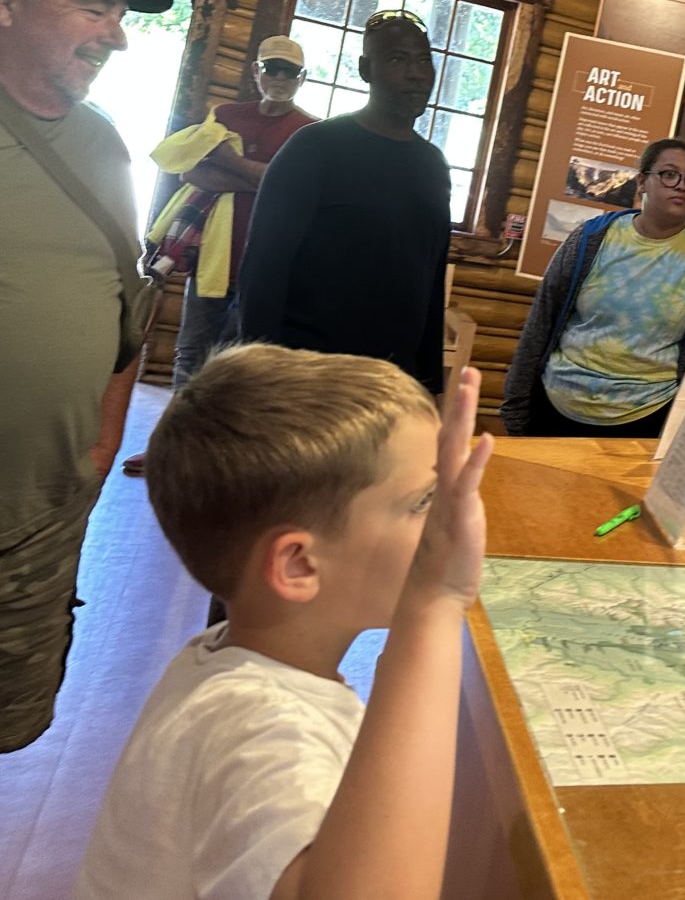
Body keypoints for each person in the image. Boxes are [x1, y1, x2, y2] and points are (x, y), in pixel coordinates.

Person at [74, 346, 493, 899]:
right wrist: (436, 604)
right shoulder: (261, 727)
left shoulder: (225, 659)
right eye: (422, 503)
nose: (445, 521)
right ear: (298, 565)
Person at [0, 0, 172, 753]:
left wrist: (101, 451)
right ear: (5, 1)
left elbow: (122, 309)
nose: (116, 37)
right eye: (92, 7)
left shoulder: (104, 144)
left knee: (7, 724)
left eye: (119, 13)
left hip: (41, 522)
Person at [238, 9, 450, 393]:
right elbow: (263, 270)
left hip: (391, 382)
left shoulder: (432, 164)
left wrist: (428, 380)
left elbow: (431, 279)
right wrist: (259, 373)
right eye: (398, 59)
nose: (416, 73)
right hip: (309, 376)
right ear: (366, 69)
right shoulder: (315, 148)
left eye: (424, 61)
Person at [502, 138, 685, 437]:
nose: (681, 185)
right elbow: (541, 320)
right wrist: (515, 404)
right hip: (559, 404)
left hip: (649, 417)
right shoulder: (591, 239)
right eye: (669, 174)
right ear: (642, 182)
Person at [154, 34, 318, 387]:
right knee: (191, 352)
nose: (280, 78)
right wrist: (264, 179)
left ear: (302, 78)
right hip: (212, 255)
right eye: (273, 68)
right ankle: (179, 438)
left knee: (237, 363)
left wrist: (230, 162)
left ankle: (219, 441)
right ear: (256, 71)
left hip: (264, 262)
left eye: (290, 72)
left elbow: (300, 190)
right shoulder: (225, 115)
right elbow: (192, 171)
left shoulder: (310, 132)